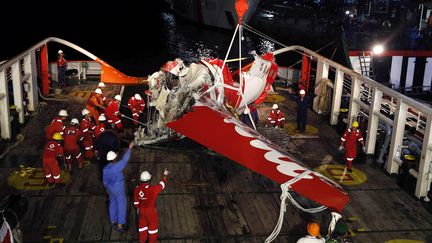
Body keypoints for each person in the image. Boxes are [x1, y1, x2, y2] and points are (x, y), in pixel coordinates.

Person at [103, 141, 134, 232]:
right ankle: (120, 225)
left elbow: (105, 181)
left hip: (110, 188)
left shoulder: (105, 169)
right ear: (115, 159)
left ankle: (113, 221)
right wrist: (129, 149)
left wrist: (107, 189)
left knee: (112, 203)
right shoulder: (117, 166)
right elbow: (125, 160)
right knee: (121, 204)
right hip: (118, 187)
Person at [134, 168, 170, 243]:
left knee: (142, 227)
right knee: (153, 229)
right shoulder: (153, 189)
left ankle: (142, 240)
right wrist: (165, 175)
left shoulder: (137, 189)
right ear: (149, 180)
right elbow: (162, 185)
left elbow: (136, 201)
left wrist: (138, 208)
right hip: (151, 212)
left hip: (142, 211)